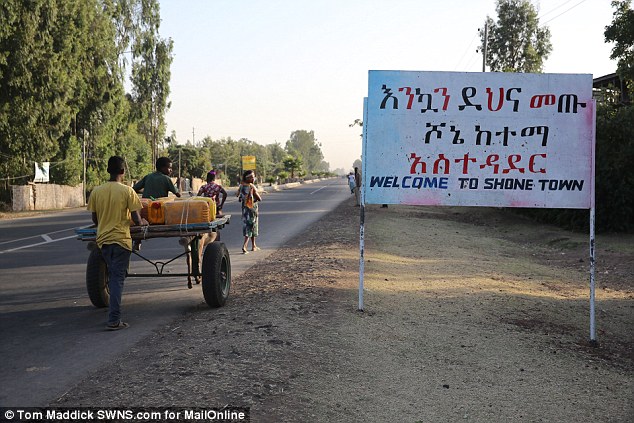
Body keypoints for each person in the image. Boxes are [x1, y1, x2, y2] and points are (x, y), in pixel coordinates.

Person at [87, 156, 148, 331]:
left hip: (103, 242)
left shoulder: (97, 191)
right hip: (121, 241)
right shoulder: (128, 191)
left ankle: (113, 314)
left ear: (108, 171)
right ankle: (114, 320)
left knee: (115, 275)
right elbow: (136, 219)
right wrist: (143, 222)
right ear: (123, 171)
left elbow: (95, 219)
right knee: (117, 279)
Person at [237, 170, 262, 253]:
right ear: (247, 178)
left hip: (245, 210)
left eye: (253, 177)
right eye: (251, 177)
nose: (253, 178)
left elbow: (239, 198)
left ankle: (254, 245)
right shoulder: (251, 187)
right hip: (252, 210)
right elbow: (259, 198)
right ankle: (244, 246)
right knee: (250, 227)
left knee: (250, 226)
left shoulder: (241, 186)